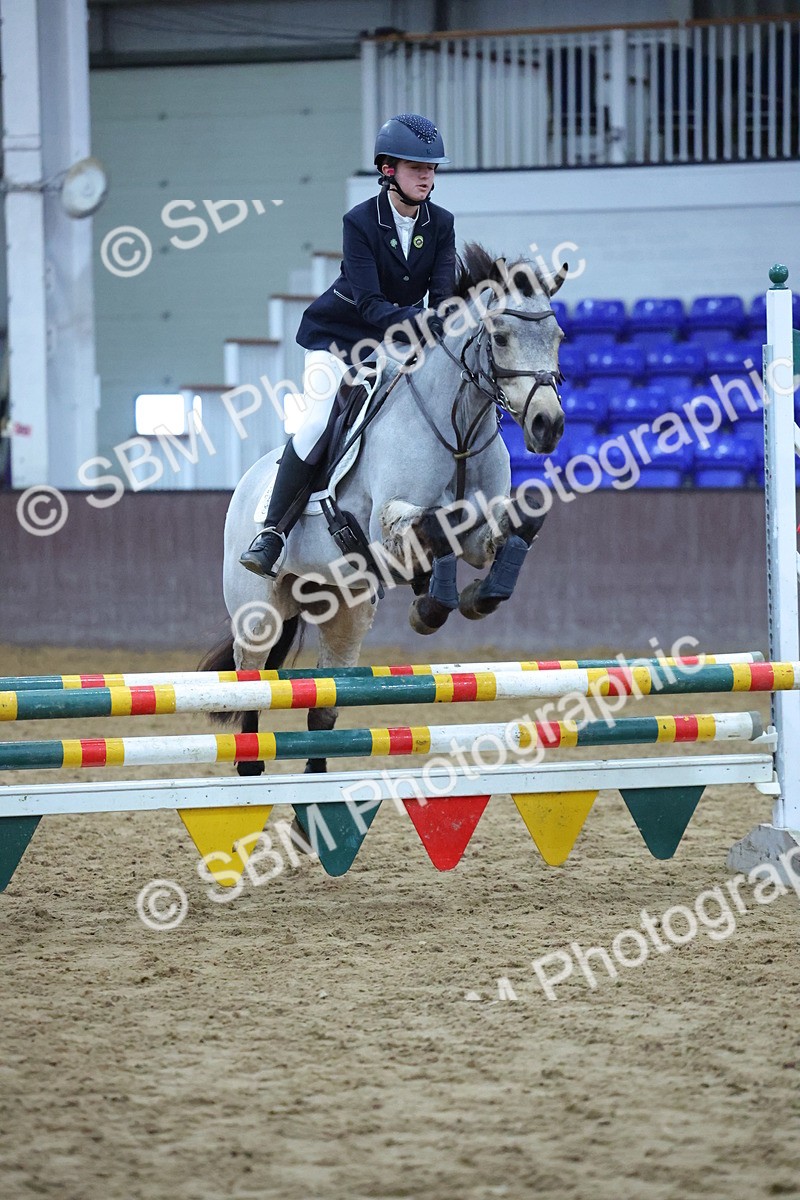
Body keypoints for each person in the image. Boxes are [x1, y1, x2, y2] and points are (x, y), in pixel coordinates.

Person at [240, 112, 456, 579]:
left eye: (432, 167)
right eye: (416, 166)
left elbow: (441, 300)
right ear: (387, 171)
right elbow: (371, 305)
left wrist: (449, 324)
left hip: (394, 344)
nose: (426, 175)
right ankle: (273, 533)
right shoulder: (360, 222)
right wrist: (427, 321)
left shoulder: (441, 224)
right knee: (318, 419)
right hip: (338, 338)